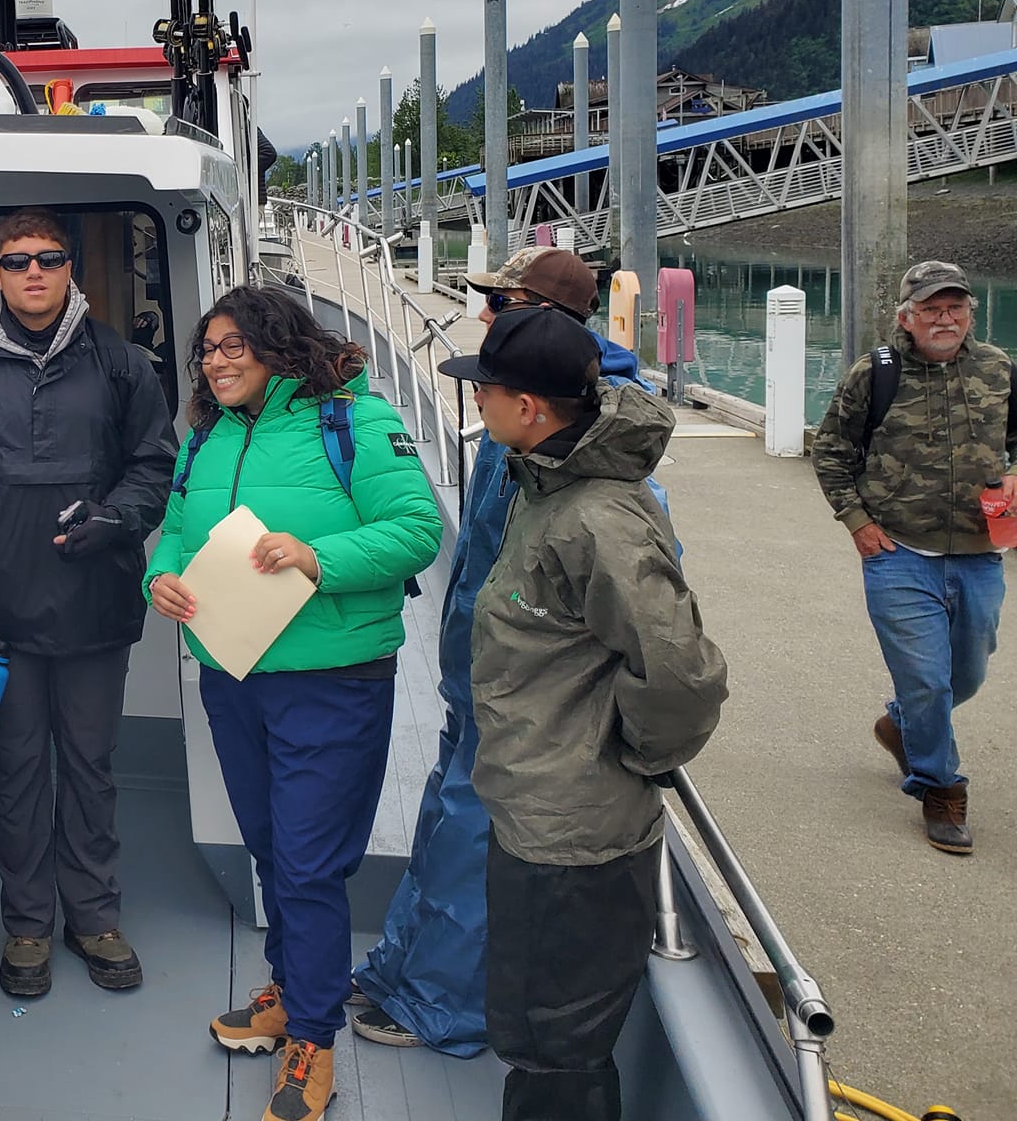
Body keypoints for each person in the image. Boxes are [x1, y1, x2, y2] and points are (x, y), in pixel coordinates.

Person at [350, 245, 664, 1052]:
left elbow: (649, 614)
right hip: (477, 670)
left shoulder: (590, 434)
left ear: (548, 319)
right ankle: (399, 967)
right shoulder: (518, 402)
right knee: (443, 819)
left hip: (525, 697)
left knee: (470, 840)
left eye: (504, 302)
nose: (485, 313)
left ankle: (442, 1006)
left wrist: (638, 743)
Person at [147, 285, 441, 1121]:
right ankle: (290, 989)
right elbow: (177, 531)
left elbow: (416, 529)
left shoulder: (353, 421)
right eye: (208, 350)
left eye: (233, 346)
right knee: (272, 848)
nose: (216, 362)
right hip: (234, 677)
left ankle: (312, 1035)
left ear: (280, 347)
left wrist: (316, 557)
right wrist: (159, 578)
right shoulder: (205, 435)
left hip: (332, 682)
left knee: (309, 863)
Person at [441, 307, 726, 1121]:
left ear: (529, 407)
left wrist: (632, 758)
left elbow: (680, 674)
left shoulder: (595, 520)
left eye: (486, 389)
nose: (477, 400)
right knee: (539, 1032)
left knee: (556, 1042)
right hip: (541, 816)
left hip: (572, 838)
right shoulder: (548, 483)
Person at [0, 207, 176, 997]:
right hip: (1, 618)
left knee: (92, 767)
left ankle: (94, 917)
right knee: (19, 771)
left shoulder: (122, 363)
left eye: (49, 258)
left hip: (96, 605)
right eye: (16, 260)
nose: (33, 271)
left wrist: (118, 518)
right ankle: (28, 924)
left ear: (71, 268)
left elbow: (154, 466)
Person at [811, 260, 1016, 856]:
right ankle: (941, 788)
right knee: (926, 679)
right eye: (930, 309)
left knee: (966, 675)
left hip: (980, 551)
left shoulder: (1000, 369)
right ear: (906, 317)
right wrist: (858, 522)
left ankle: (900, 725)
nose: (944, 318)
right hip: (897, 551)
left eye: (955, 307)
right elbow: (831, 450)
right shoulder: (874, 373)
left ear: (971, 312)